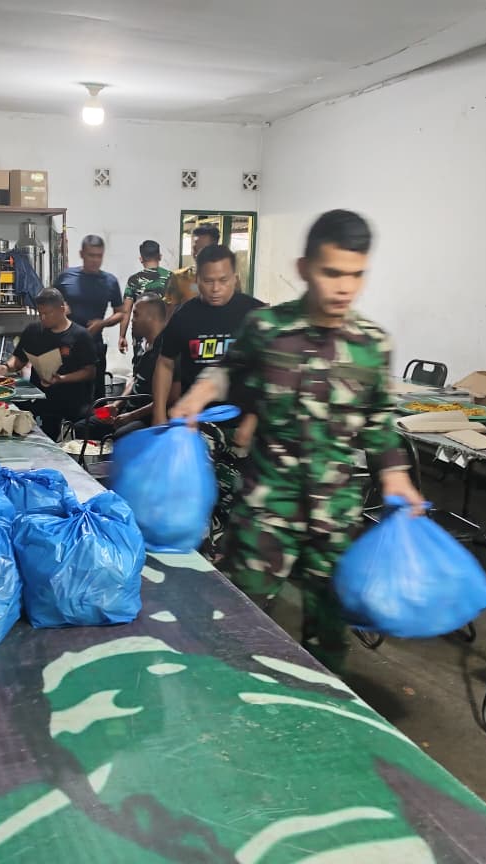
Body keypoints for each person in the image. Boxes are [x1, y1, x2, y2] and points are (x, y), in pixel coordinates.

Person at [170, 210, 425, 673]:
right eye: (332, 273)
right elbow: (229, 370)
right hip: (268, 505)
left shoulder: (372, 344)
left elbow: (380, 417)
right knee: (234, 618)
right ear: (305, 268)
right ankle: (227, 704)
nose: (344, 288)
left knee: (329, 634)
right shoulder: (267, 329)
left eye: (356, 275)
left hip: (335, 513)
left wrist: (394, 474)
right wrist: (198, 395)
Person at [152, 243, 263, 426]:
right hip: (196, 419)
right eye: (208, 281)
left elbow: (268, 369)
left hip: (244, 422)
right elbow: (165, 363)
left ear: (235, 278)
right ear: (197, 280)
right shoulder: (183, 316)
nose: (216, 289)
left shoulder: (254, 313)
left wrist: (254, 418)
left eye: (223, 280)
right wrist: (159, 413)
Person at [0, 290, 97, 441]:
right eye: (40, 313)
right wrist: (6, 367)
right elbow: (19, 359)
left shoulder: (80, 336)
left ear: (62, 309)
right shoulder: (33, 331)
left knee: (77, 434)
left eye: (47, 313)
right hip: (41, 397)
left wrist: (62, 378)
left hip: (73, 399)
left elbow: (90, 371)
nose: (43, 318)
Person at [77, 294, 168, 439]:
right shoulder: (142, 347)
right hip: (127, 408)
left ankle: (113, 459)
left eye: (136, 315)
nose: (132, 320)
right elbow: (134, 380)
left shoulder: (167, 350)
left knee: (120, 435)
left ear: (152, 318)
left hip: (146, 416)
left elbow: (166, 400)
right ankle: (94, 458)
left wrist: (130, 416)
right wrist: (116, 404)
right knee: (83, 421)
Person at [53, 235, 124, 401]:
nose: (95, 260)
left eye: (99, 256)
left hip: (94, 346)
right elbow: (49, 302)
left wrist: (103, 323)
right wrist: (60, 307)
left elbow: (121, 312)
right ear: (82, 254)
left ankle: (91, 427)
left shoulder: (110, 281)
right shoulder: (66, 277)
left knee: (95, 396)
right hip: (67, 346)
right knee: (64, 393)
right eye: (91, 255)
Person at [118, 240, 171, 355]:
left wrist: (122, 336)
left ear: (141, 259)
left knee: (141, 365)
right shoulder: (171, 278)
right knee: (164, 363)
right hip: (165, 331)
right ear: (160, 257)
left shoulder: (134, 280)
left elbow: (126, 311)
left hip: (141, 332)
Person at [164, 223, 220, 314]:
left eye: (202, 249)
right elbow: (169, 313)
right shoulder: (179, 278)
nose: (197, 253)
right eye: (194, 248)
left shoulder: (229, 280)